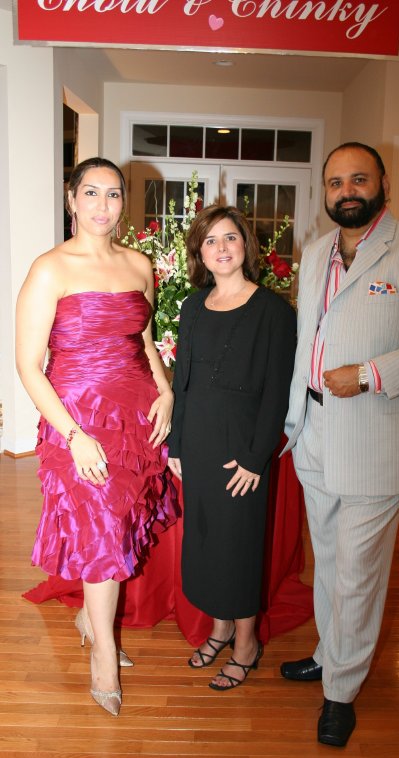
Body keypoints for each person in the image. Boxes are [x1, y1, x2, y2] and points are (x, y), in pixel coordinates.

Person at [280, 142, 399, 747]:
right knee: (328, 562)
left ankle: (341, 691)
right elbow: (308, 338)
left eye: (358, 179)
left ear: (383, 182)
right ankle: (328, 653)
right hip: (314, 433)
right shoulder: (316, 252)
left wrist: (368, 374)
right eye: (336, 183)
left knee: (359, 572)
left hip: (375, 437)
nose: (347, 192)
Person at [16, 157, 178, 716]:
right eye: (91, 192)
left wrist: (166, 392)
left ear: (122, 203)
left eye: (112, 194)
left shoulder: (138, 264)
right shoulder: (49, 269)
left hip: (136, 417)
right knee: (101, 528)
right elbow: (28, 365)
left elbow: (144, 340)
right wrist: (73, 435)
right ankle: (104, 655)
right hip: (77, 419)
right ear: (71, 199)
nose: (102, 205)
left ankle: (91, 618)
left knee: (122, 521)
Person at [167, 205, 296, 691]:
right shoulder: (192, 307)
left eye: (229, 238)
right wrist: (176, 444)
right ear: (199, 253)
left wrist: (256, 457)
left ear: (246, 244)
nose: (221, 248)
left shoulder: (274, 312)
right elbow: (182, 383)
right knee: (205, 543)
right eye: (210, 241)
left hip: (241, 449)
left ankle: (246, 644)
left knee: (238, 547)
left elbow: (277, 393)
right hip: (197, 444)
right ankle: (219, 629)